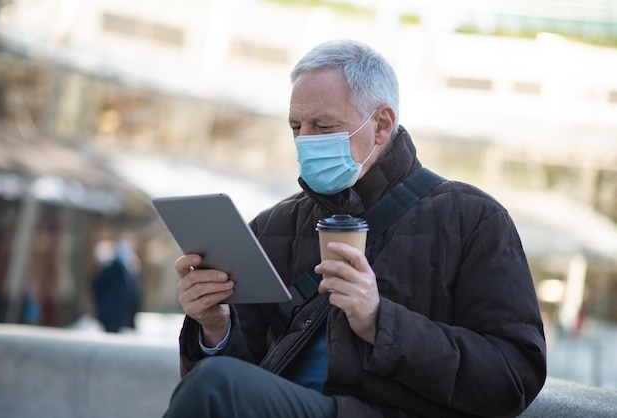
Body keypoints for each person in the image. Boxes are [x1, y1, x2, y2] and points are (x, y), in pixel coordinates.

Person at [163, 39, 546, 418]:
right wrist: (214, 328)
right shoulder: (272, 226)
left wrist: (380, 322)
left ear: (381, 125)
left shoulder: (473, 219)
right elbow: (229, 384)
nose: (305, 141)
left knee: (217, 384)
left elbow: (514, 378)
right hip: (287, 404)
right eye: (296, 126)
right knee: (215, 381)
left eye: (323, 125)